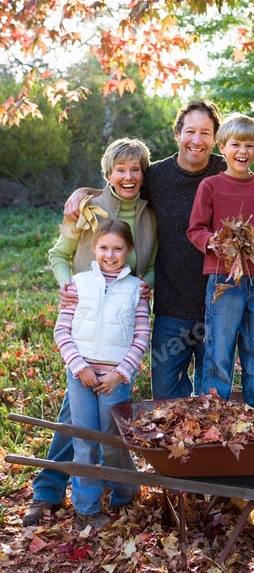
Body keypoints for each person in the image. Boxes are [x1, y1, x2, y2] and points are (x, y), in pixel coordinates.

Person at [23, 138, 156, 527]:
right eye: (121, 169)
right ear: (108, 173)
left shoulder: (149, 214)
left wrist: (144, 284)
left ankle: (121, 491)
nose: (128, 176)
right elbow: (58, 254)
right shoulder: (86, 205)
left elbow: (152, 264)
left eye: (136, 170)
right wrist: (69, 286)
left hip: (119, 335)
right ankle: (52, 493)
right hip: (83, 320)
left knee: (101, 429)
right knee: (79, 428)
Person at [61, 100, 224, 400]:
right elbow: (121, 187)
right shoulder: (157, 176)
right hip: (170, 311)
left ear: (216, 138)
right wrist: (83, 193)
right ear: (177, 134)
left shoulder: (227, 173)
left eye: (206, 133)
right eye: (190, 131)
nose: (197, 140)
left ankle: (204, 450)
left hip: (218, 308)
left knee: (212, 400)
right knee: (166, 399)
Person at [54, 220, 150, 529]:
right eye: (104, 247)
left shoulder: (137, 290)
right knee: (85, 441)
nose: (110, 255)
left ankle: (124, 493)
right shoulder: (78, 284)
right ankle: (87, 509)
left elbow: (141, 338)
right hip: (80, 374)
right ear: (94, 249)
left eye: (118, 248)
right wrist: (79, 367)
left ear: (129, 251)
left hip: (115, 379)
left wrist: (120, 373)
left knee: (112, 441)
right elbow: (62, 331)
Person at [187, 113, 254, 407]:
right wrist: (213, 241)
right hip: (222, 279)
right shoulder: (210, 186)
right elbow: (195, 229)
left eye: (251, 145)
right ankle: (215, 409)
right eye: (236, 144)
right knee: (219, 349)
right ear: (222, 147)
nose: (243, 152)